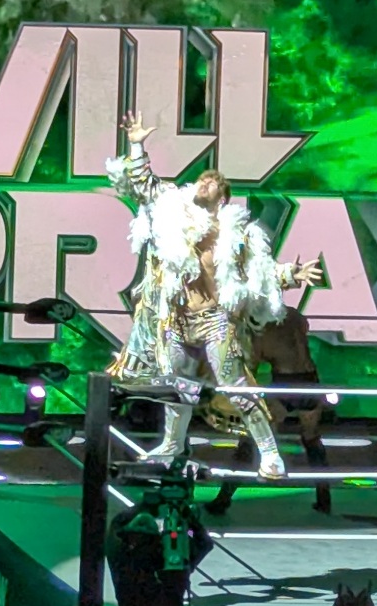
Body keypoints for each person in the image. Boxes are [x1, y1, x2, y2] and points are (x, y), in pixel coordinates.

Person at [106, 106, 323, 480]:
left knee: (238, 388)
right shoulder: (173, 214)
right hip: (176, 320)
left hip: (214, 322)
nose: (203, 182)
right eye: (201, 179)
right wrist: (137, 146)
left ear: (223, 198)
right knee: (179, 389)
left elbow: (259, 274)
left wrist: (292, 272)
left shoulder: (236, 236)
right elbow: (144, 186)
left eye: (212, 182)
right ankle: (172, 446)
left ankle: (271, 454)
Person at [206, 305, 334, 515]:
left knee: (251, 437)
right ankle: (324, 498)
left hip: (286, 384)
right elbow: (300, 333)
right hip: (310, 379)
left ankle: (223, 500)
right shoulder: (294, 315)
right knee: (311, 438)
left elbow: (253, 364)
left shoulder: (262, 325)